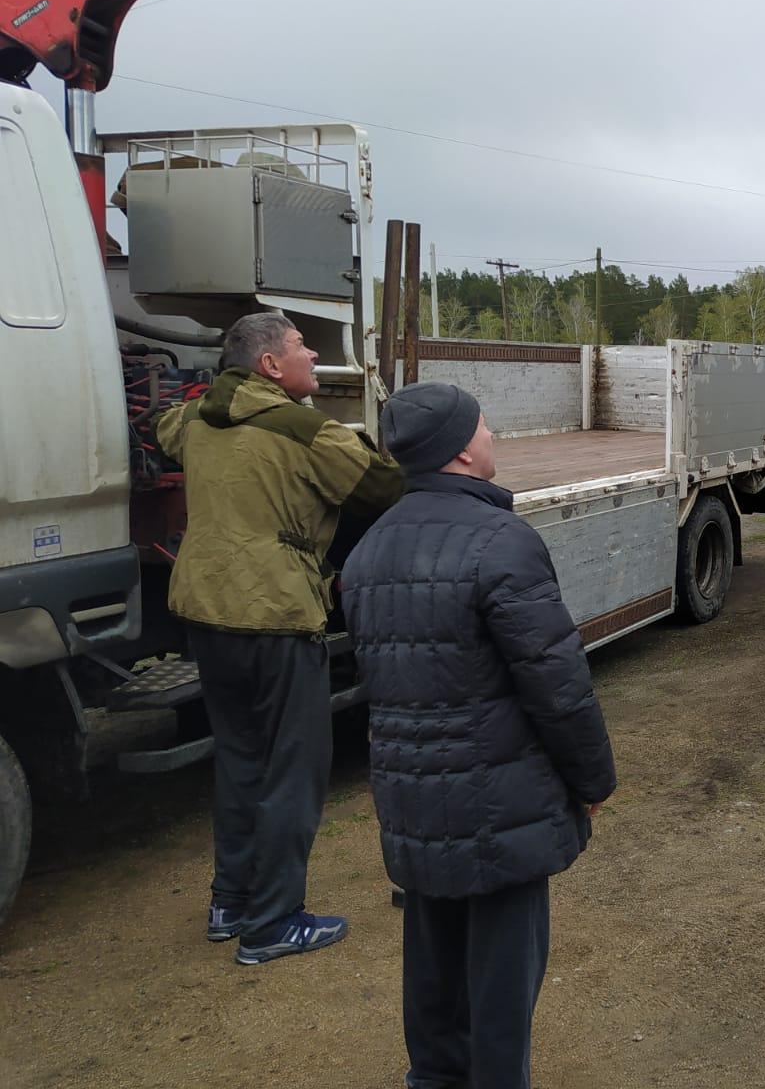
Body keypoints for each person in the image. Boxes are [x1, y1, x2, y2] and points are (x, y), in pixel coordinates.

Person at [340, 381, 617, 1089]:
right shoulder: (502, 541)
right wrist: (591, 783)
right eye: (486, 427)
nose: (493, 436)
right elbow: (557, 684)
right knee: (500, 994)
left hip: (415, 806)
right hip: (499, 810)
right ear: (462, 451)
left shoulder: (369, 549)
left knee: (432, 981)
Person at [155, 312, 404, 963]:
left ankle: (229, 904)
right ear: (269, 365)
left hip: (206, 608)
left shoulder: (199, 418)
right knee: (294, 771)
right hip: (275, 611)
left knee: (240, 760)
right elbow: (381, 488)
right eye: (301, 348)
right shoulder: (305, 429)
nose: (314, 357)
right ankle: (272, 925)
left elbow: (164, 429)